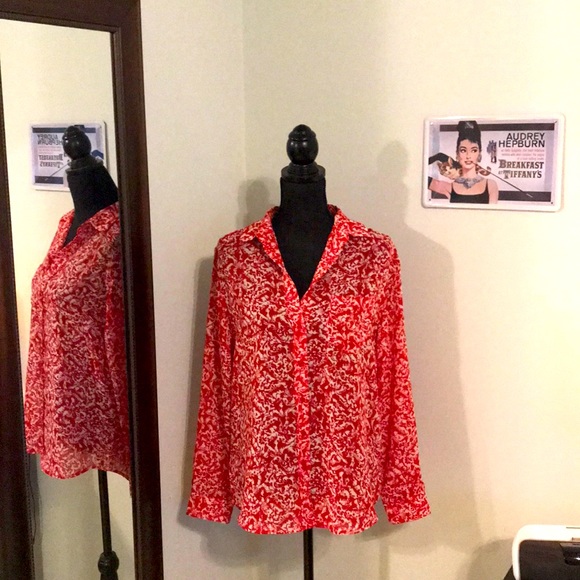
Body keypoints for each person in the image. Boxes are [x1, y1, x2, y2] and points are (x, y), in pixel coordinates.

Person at [428, 120, 499, 204]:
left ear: (479, 154)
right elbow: (419, 176)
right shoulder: (449, 187)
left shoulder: (490, 185)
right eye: (463, 150)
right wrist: (440, 158)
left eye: (474, 150)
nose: (468, 156)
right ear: (457, 154)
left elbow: (492, 212)